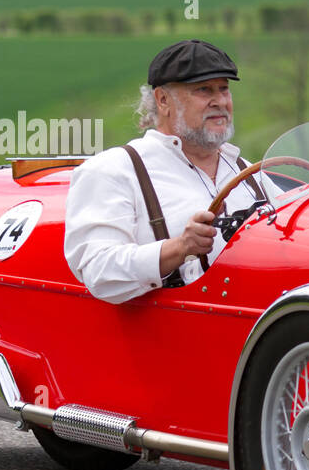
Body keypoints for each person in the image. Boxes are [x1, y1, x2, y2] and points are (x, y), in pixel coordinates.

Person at [64, 40, 277, 303]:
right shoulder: (114, 170)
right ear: (163, 100)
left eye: (224, 89)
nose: (220, 101)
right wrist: (180, 247)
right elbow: (98, 271)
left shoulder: (249, 171)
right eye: (204, 90)